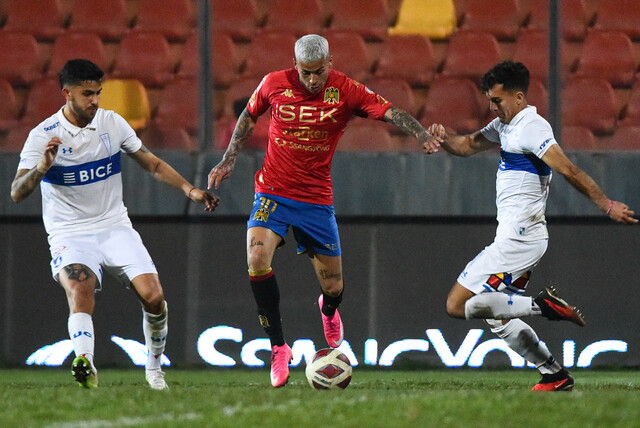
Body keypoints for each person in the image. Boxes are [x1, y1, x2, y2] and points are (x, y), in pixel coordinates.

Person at [208, 34, 440, 387]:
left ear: (329, 63)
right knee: (257, 258)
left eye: (318, 72)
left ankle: (328, 310)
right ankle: (279, 348)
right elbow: (248, 114)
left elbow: (390, 110)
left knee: (334, 286)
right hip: (273, 191)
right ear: (295, 64)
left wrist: (421, 134)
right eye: (306, 72)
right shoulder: (274, 83)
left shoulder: (345, 90)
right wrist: (228, 159)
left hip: (316, 199)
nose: (313, 80)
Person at [426, 61, 637, 391]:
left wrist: (606, 205)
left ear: (519, 97)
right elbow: (466, 146)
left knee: (456, 305)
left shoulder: (532, 127)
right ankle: (554, 374)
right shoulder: (504, 125)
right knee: (495, 314)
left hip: (519, 238)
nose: (492, 107)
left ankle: (542, 306)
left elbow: (569, 170)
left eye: (497, 100)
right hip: (521, 237)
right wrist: (440, 138)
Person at [10, 59, 219, 390]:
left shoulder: (112, 123)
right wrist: (42, 168)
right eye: (86, 94)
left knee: (154, 297)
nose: (94, 100)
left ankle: (154, 371)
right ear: (66, 93)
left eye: (98, 93)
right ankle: (86, 364)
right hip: (70, 233)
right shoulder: (43, 136)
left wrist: (189, 189)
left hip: (114, 226)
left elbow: (151, 163)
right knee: (80, 289)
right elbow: (17, 193)